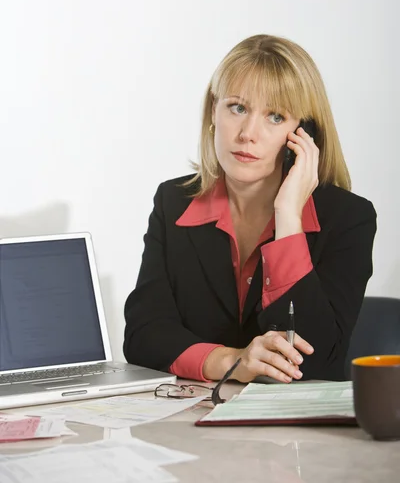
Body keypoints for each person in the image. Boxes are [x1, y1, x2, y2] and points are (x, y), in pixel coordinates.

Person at [123, 34, 377, 384]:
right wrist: (232, 361)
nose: (247, 134)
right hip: (189, 426)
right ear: (214, 110)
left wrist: (289, 217)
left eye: (275, 116)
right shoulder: (174, 203)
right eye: (237, 108)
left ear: (304, 135)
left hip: (297, 436)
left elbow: (314, 362)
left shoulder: (348, 219)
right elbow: (143, 335)